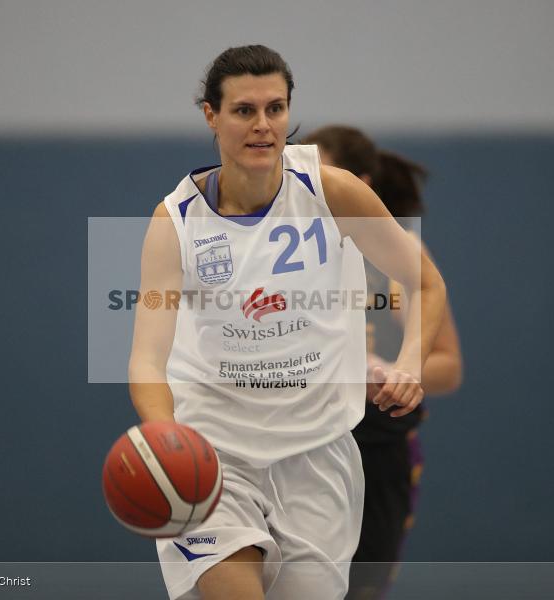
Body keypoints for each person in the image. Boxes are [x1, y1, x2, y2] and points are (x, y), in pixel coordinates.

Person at [128, 45, 447, 600]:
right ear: (211, 115)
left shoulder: (331, 190)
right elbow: (145, 359)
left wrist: (410, 363)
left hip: (317, 454)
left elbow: (426, 281)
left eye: (275, 109)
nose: (262, 125)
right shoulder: (175, 220)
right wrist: (165, 435)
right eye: (244, 110)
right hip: (214, 456)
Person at [302, 126, 463, 600]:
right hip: (303, 446)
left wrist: (393, 369)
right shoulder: (287, 253)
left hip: (375, 453)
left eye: (323, 176)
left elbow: (449, 366)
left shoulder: (393, 261)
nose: (313, 189)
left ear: (361, 185)